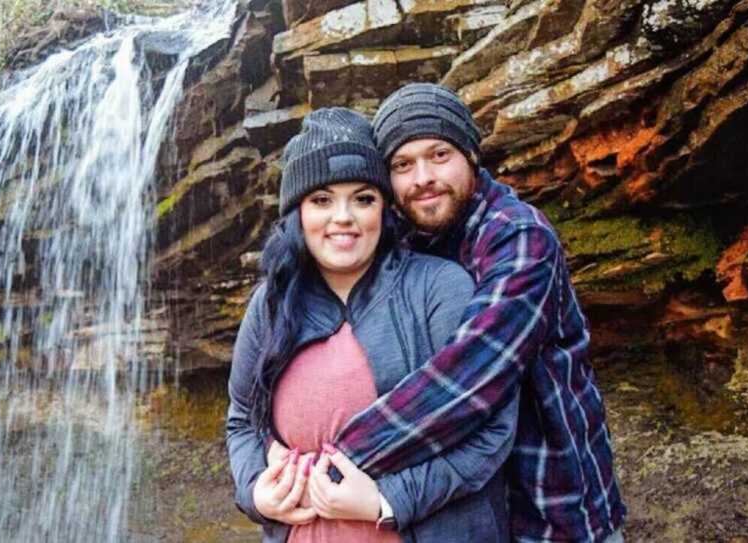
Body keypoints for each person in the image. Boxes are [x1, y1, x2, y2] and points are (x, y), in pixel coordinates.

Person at [322, 83, 626, 543]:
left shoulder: (519, 237)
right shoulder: (401, 244)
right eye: (402, 165)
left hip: (552, 510)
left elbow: (469, 376)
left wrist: (331, 461)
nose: (422, 176)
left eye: (439, 154)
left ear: (470, 155)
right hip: (465, 514)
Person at [226, 108, 519, 542]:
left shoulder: (439, 288)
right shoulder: (273, 303)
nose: (343, 217)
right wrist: (256, 493)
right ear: (297, 212)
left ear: (384, 208)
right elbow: (242, 420)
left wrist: (387, 500)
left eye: (363, 198)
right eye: (321, 200)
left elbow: (493, 428)